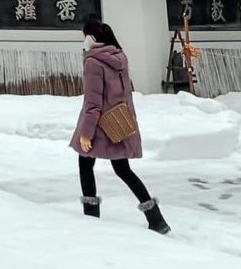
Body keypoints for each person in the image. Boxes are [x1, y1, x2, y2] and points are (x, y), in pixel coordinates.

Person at [69, 18, 171, 234]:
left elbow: (93, 102)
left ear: (90, 38)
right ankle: (156, 219)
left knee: (85, 165)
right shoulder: (119, 57)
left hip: (99, 125)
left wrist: (86, 133)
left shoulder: (93, 62)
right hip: (118, 122)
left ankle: (91, 217)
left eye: (84, 36)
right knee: (123, 169)